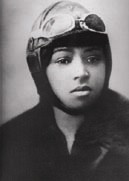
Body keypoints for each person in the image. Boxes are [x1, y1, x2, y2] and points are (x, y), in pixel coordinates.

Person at [1, 1, 129, 181]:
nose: (82, 73)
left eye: (92, 59)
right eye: (64, 60)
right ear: (39, 69)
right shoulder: (10, 139)